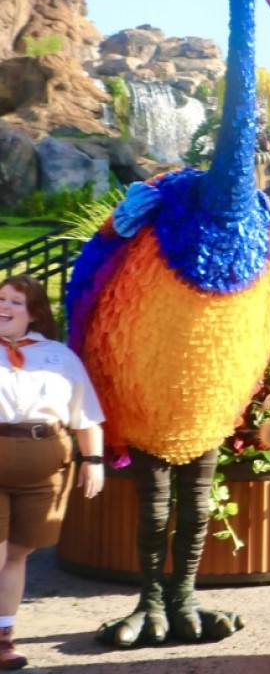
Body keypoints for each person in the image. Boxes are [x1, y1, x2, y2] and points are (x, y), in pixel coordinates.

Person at [0, 275, 106, 670]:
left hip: (43, 475)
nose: (4, 306)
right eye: (0, 298)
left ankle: (4, 638)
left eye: (15, 301)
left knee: (17, 555)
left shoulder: (60, 357)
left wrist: (93, 462)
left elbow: (86, 415)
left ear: (34, 314)